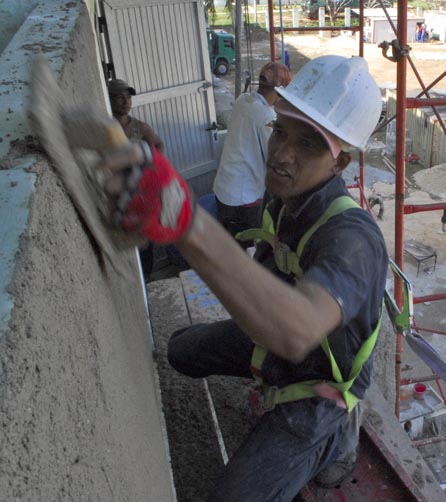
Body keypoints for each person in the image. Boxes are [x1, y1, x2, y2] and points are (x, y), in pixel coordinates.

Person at [96, 55, 387, 501]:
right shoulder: (286, 201)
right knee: (180, 352)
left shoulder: (352, 240)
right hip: (275, 344)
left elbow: (297, 331)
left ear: (340, 161)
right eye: (281, 131)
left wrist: (186, 222)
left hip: (321, 382)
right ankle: (273, 383)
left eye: (308, 144)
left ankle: (333, 438)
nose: (283, 154)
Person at [213, 62, 292, 240]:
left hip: (224, 187)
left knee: (230, 244)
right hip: (244, 196)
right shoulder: (264, 115)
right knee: (247, 247)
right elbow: (274, 156)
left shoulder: (243, 100)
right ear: (279, 90)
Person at [107, 78, 165, 277]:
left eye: (128, 97)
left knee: (144, 243)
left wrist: (151, 170)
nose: (126, 102)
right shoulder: (106, 128)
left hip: (139, 195)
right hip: (116, 197)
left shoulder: (141, 128)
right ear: (109, 100)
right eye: (120, 98)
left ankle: (146, 280)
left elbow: (158, 146)